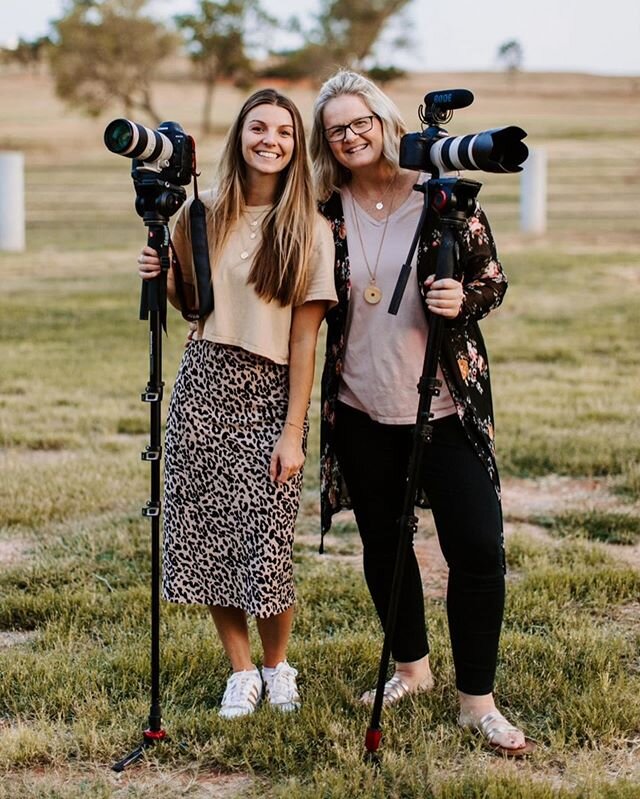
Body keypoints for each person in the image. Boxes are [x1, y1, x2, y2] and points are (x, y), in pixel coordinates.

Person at [309, 70, 533, 756]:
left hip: (443, 407)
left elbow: (492, 278)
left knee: (477, 547)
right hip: (361, 408)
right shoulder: (325, 208)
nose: (350, 137)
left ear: (383, 120)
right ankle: (411, 668)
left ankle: (478, 701)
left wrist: (460, 299)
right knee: (384, 545)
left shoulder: (444, 197)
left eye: (360, 123)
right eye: (335, 130)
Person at [137, 89, 337, 719]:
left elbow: (305, 338)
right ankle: (241, 671)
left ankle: (278, 666)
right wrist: (161, 274)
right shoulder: (204, 212)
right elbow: (193, 308)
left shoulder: (311, 228)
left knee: (267, 541)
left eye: (283, 130)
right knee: (207, 540)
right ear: (240, 135)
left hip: (270, 387)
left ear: (295, 144)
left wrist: (293, 430)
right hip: (204, 381)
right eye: (258, 127)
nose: (269, 140)